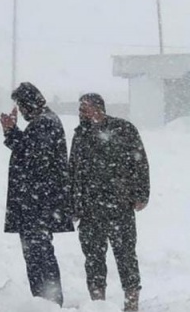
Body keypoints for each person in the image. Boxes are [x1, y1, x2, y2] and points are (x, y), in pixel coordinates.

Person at [69, 93, 150, 312]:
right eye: (80, 110)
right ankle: (98, 304)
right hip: (89, 209)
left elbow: (140, 162)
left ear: (98, 109)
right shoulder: (80, 135)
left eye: (84, 109)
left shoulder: (123, 129)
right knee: (93, 258)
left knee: (125, 255)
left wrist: (142, 194)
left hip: (119, 206)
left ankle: (131, 303)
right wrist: (74, 205)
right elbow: (74, 170)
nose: (81, 114)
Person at [0, 82, 74, 306]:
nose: (21, 112)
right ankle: (45, 300)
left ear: (30, 103)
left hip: (37, 205)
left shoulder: (44, 124)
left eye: (22, 106)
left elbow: (34, 160)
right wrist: (13, 132)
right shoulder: (45, 122)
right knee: (39, 254)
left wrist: (11, 132)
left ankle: (47, 301)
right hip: (39, 203)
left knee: (39, 256)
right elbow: (32, 153)